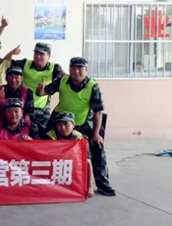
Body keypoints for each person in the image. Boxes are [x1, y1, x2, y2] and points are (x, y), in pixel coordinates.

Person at [37, 56, 114, 196]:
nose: (76, 71)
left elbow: (98, 112)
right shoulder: (62, 80)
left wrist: (96, 134)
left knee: (97, 147)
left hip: (81, 122)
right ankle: (41, 181)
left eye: (80, 68)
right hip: (59, 121)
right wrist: (40, 90)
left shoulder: (93, 86)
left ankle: (103, 184)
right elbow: (43, 92)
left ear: (86, 69)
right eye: (73, 68)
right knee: (43, 145)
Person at [13, 42, 65, 132]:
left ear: (49, 56)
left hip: (42, 110)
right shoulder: (25, 63)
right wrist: (12, 53)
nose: (38, 56)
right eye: (36, 53)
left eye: (41, 54)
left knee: (44, 135)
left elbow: (65, 77)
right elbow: (5, 63)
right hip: (24, 108)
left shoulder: (54, 68)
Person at [44, 111, 95, 198]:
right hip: (56, 169)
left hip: (72, 169)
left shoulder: (80, 139)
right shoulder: (50, 136)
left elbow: (88, 162)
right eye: (59, 124)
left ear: (73, 125)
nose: (62, 128)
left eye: (66, 124)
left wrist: (90, 187)